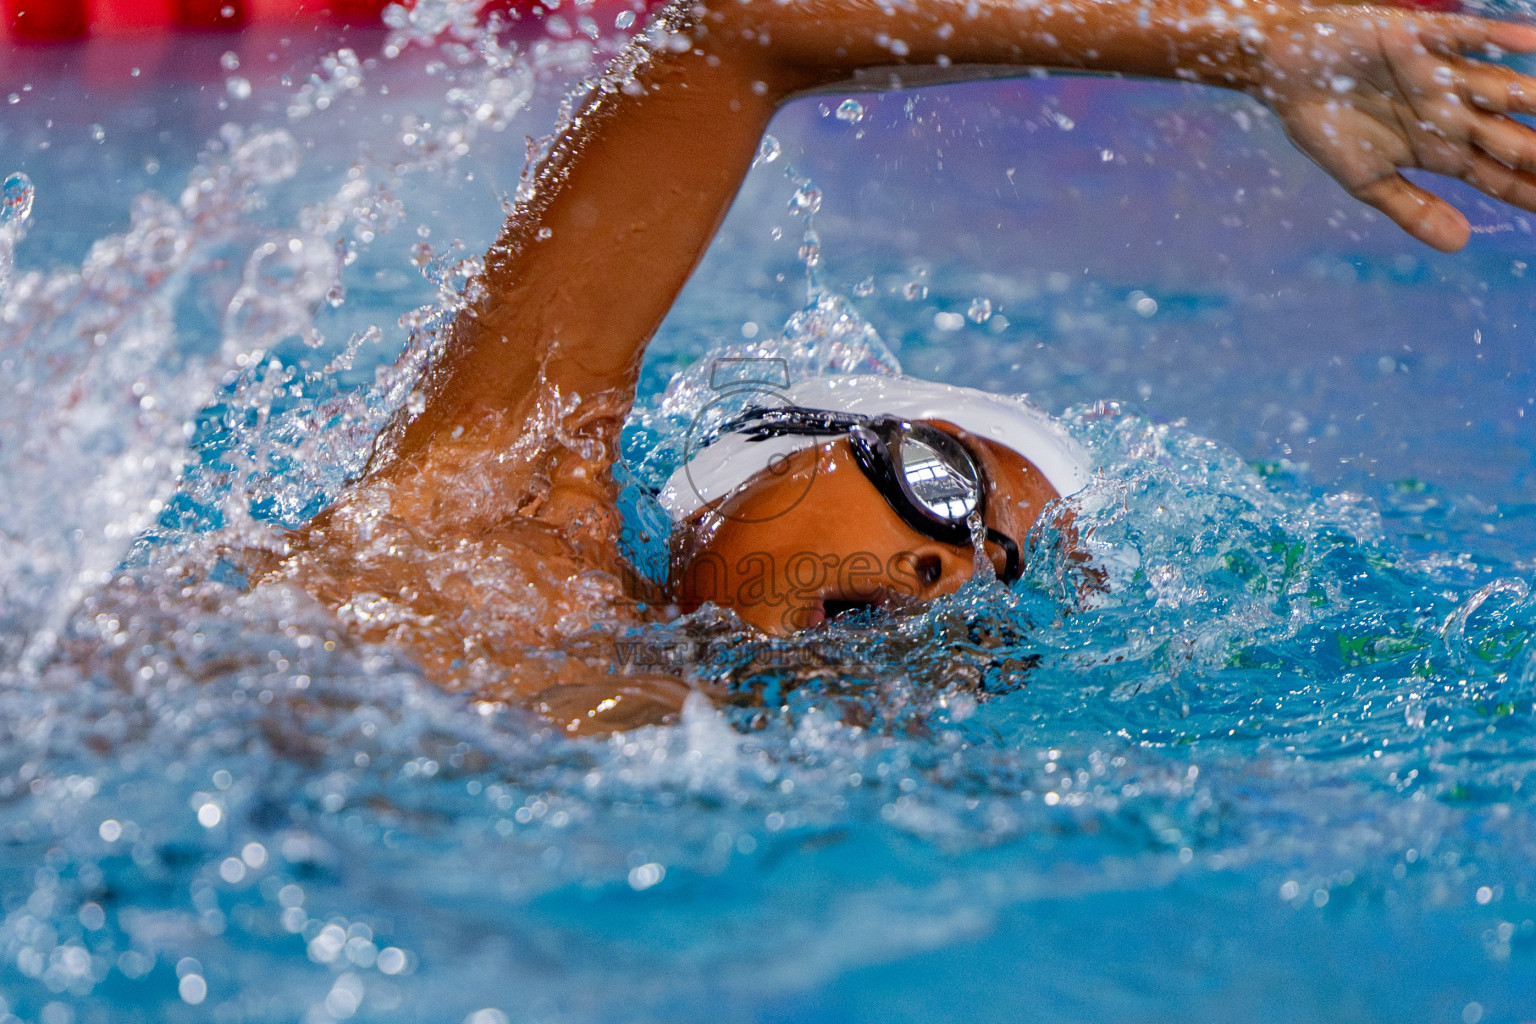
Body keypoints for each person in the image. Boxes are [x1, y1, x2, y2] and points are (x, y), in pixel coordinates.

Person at [257, 0, 1536, 734]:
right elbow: (735, 35)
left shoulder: (735, 770)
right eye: (943, 486)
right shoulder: (492, 505)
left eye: (1009, 579)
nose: (949, 573)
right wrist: (1238, 42)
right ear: (755, 465)